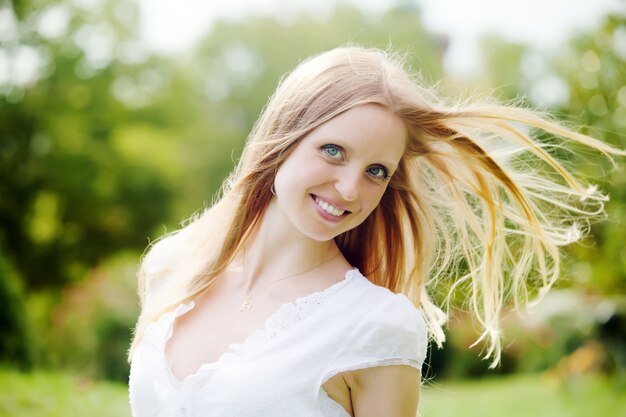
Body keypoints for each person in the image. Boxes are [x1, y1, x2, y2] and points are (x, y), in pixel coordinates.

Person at [127, 45, 624, 417]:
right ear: (283, 138)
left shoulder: (374, 325)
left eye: (376, 171)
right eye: (333, 150)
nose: (348, 188)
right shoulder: (173, 265)